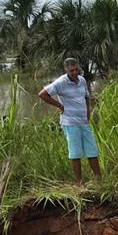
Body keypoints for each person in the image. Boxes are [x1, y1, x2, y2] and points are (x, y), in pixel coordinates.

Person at [38, 57, 101, 186]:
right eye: (71, 70)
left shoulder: (82, 80)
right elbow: (42, 94)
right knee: (75, 152)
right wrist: (59, 105)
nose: (74, 73)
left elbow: (86, 97)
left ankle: (99, 180)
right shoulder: (61, 82)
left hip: (83, 121)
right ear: (66, 70)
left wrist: (88, 112)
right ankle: (79, 183)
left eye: (76, 69)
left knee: (92, 150)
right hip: (70, 122)